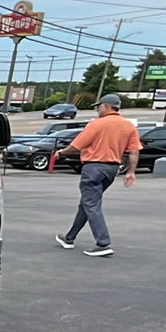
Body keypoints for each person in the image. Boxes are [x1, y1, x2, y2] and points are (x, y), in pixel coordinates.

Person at [54, 93, 140, 257]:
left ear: (106, 106)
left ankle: (103, 243)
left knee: (91, 204)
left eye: (98, 106)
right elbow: (134, 151)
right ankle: (69, 238)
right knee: (87, 203)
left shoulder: (97, 124)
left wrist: (61, 153)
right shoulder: (128, 126)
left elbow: (76, 146)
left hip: (93, 167)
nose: (97, 109)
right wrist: (131, 171)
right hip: (112, 168)